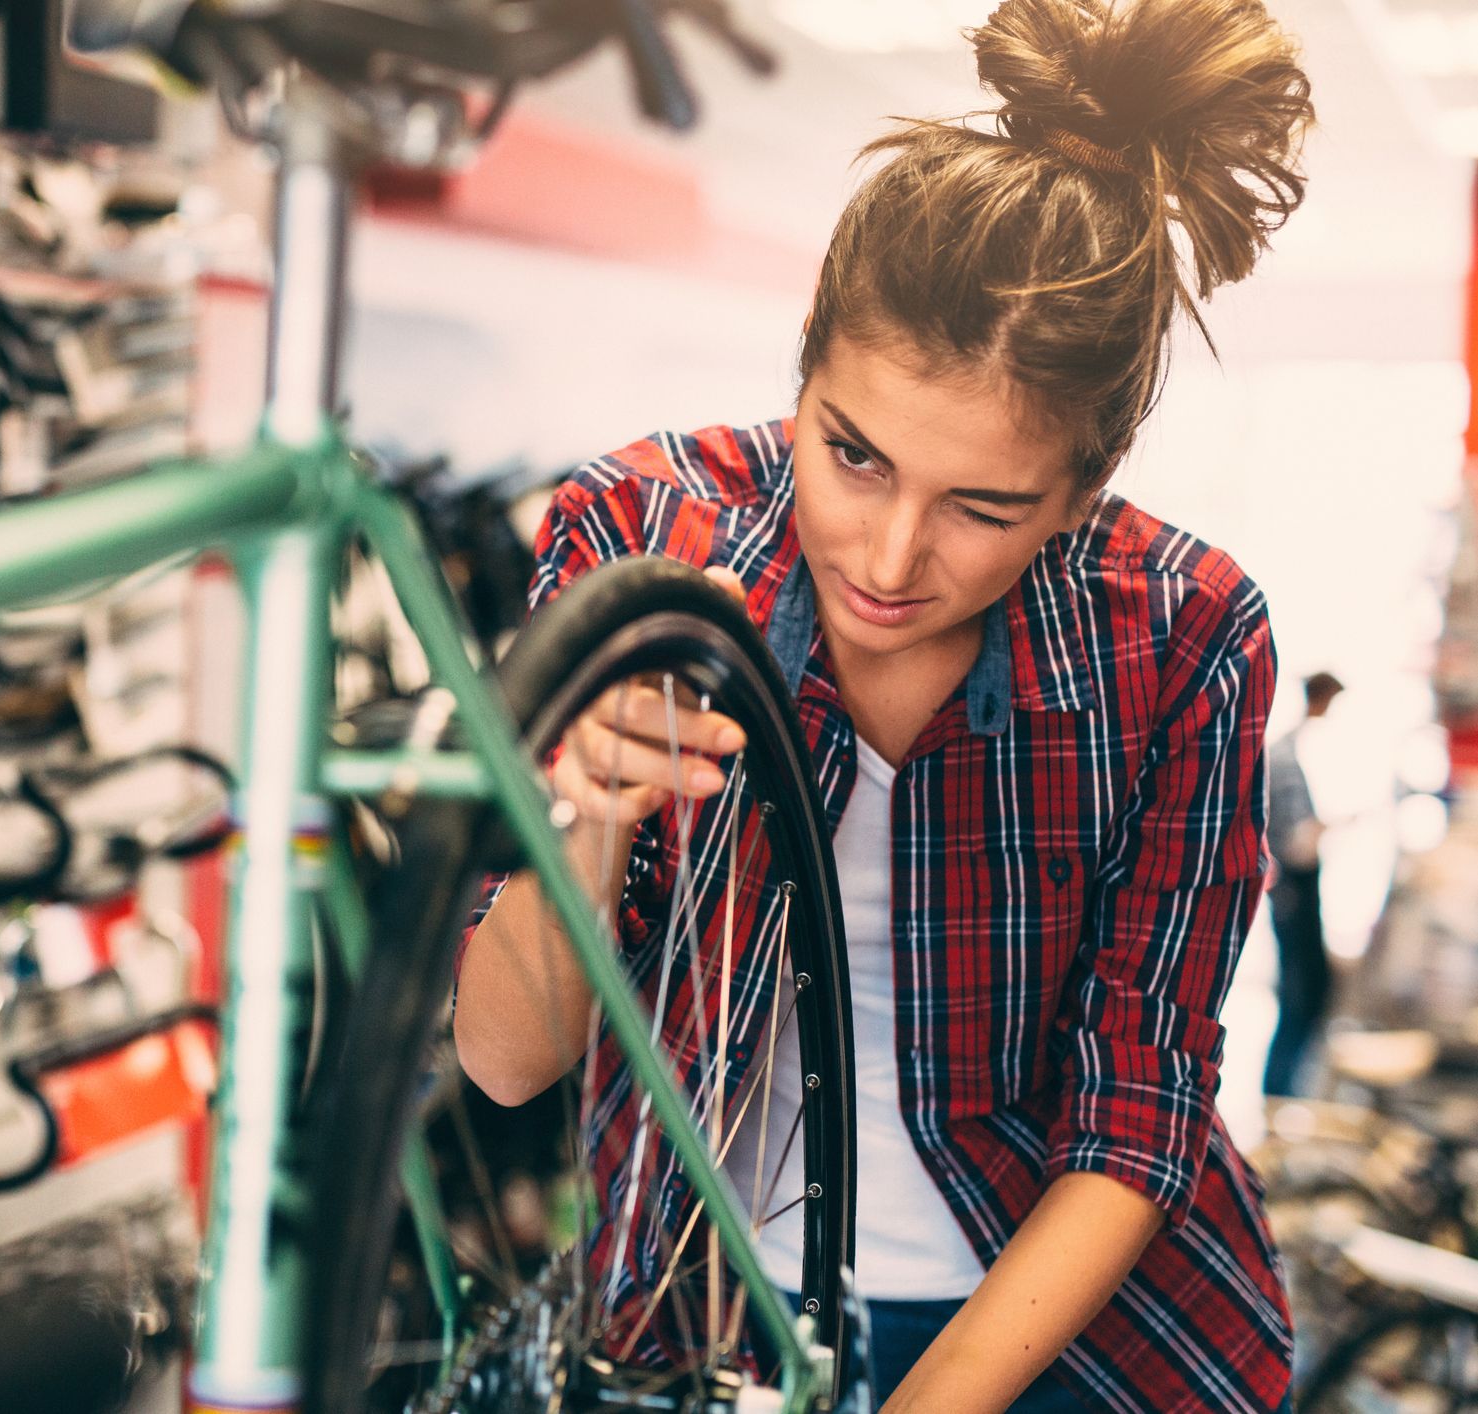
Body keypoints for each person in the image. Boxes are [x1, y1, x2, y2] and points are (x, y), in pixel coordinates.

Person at [453, 1, 1311, 1410]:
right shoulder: (640, 535)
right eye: (851, 454)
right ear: (804, 362)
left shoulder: (1185, 633)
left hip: (1079, 1344)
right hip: (705, 1318)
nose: (890, 558)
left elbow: (1139, 1109)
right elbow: (503, 1061)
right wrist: (586, 807)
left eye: (984, 506)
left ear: (1085, 489)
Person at [1263, 671, 1342, 1097]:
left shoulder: (1291, 749)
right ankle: (1280, 1094)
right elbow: (1295, 842)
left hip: (1294, 887)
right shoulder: (1285, 755)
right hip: (1292, 889)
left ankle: (1283, 1091)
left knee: (1308, 991)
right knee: (1301, 995)